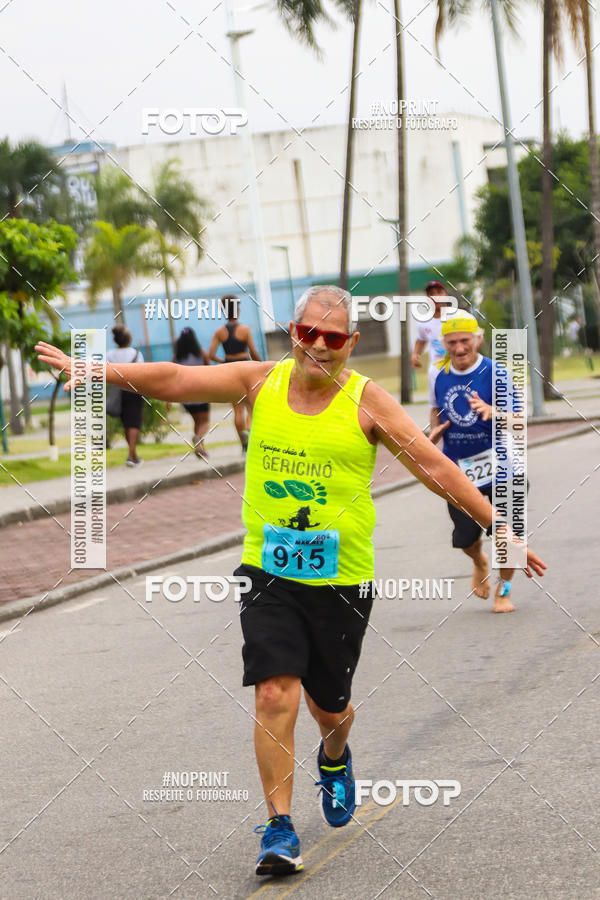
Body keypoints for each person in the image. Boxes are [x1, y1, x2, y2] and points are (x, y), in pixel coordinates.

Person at [35, 286, 545, 879]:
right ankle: (279, 825)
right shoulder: (260, 380)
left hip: (342, 579)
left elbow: (436, 468)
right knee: (274, 691)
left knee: (331, 708)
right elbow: (175, 379)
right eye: (309, 334)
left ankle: (334, 755)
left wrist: (500, 526)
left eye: (334, 338)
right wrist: (95, 370)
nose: (319, 347)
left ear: (350, 343)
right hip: (268, 570)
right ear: (292, 334)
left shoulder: (368, 402)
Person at [429, 310, 525, 613]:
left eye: (465, 341)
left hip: (504, 468)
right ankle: (479, 561)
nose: (458, 349)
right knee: (465, 539)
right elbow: (435, 410)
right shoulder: (437, 374)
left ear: (478, 339)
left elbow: (519, 421)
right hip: (458, 471)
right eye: (452, 342)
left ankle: (504, 592)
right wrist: (433, 433)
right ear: (444, 343)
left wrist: (492, 411)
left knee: (508, 539)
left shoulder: (496, 373)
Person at [209, 294, 262, 453]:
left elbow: (210, 354)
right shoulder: (245, 330)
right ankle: (250, 434)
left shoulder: (220, 332)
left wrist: (223, 363)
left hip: (230, 370)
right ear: (237, 311)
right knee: (251, 407)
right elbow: (253, 351)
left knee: (237, 409)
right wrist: (260, 364)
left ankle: (243, 443)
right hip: (245, 367)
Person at [410, 280, 452, 432]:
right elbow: (420, 340)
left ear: (446, 295)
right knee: (435, 407)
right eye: (431, 294)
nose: (436, 297)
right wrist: (415, 354)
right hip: (436, 371)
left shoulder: (458, 317)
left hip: (459, 368)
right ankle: (433, 444)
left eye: (439, 292)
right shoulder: (423, 322)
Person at [106, 325, 144, 467]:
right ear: (128, 338)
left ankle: (134, 455)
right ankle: (130, 455)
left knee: (126, 423)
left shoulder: (110, 354)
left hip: (118, 391)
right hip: (134, 390)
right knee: (134, 422)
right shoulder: (135, 353)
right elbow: (141, 373)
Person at [171, 328, 211, 458]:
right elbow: (210, 371)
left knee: (197, 421)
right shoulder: (201, 353)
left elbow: (171, 375)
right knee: (204, 422)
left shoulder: (176, 357)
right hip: (201, 392)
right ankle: (198, 438)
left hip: (186, 396)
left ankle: (200, 448)